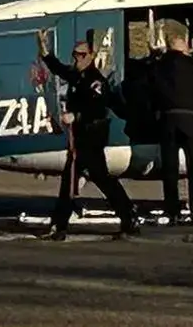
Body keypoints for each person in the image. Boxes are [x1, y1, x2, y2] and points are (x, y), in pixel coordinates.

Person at [36, 30, 139, 239]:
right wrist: (44, 50)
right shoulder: (78, 76)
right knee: (78, 180)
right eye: (75, 55)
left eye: (82, 55)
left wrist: (76, 116)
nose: (77, 59)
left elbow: (98, 108)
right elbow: (59, 68)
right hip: (81, 138)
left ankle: (127, 214)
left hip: (92, 136)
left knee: (96, 179)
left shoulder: (95, 81)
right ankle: (60, 226)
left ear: (90, 56)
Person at [148, 25, 193, 225]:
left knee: (170, 169)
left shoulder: (158, 65)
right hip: (189, 119)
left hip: (167, 120)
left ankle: (172, 211)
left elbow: (149, 88)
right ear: (182, 46)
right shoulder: (190, 63)